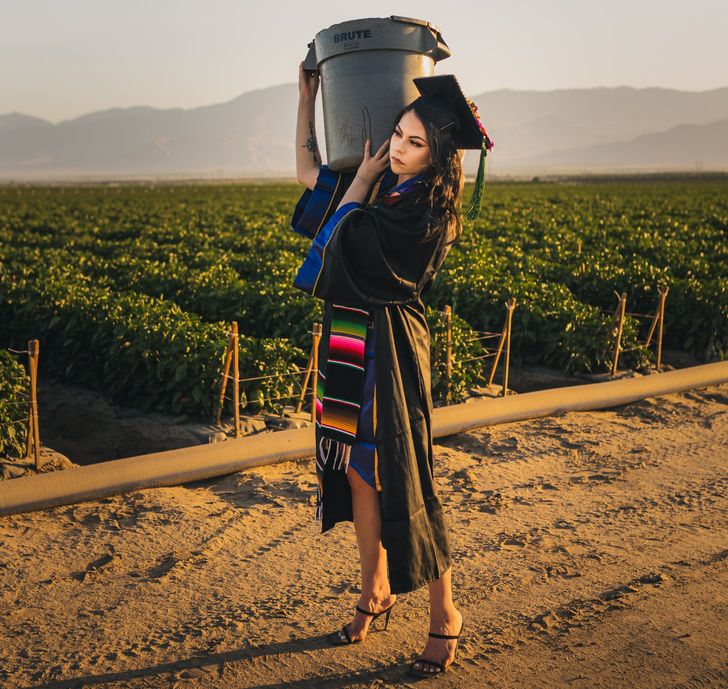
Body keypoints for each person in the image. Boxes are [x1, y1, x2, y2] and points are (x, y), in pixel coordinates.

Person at [292, 61, 493, 678]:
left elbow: (341, 230)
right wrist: (308, 97)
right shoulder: (385, 188)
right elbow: (308, 178)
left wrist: (363, 181)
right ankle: (374, 591)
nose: (400, 151)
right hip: (351, 340)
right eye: (398, 137)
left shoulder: (426, 214)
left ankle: (446, 612)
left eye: (414, 144)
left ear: (438, 157)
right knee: (357, 472)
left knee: (406, 476)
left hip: (392, 346)